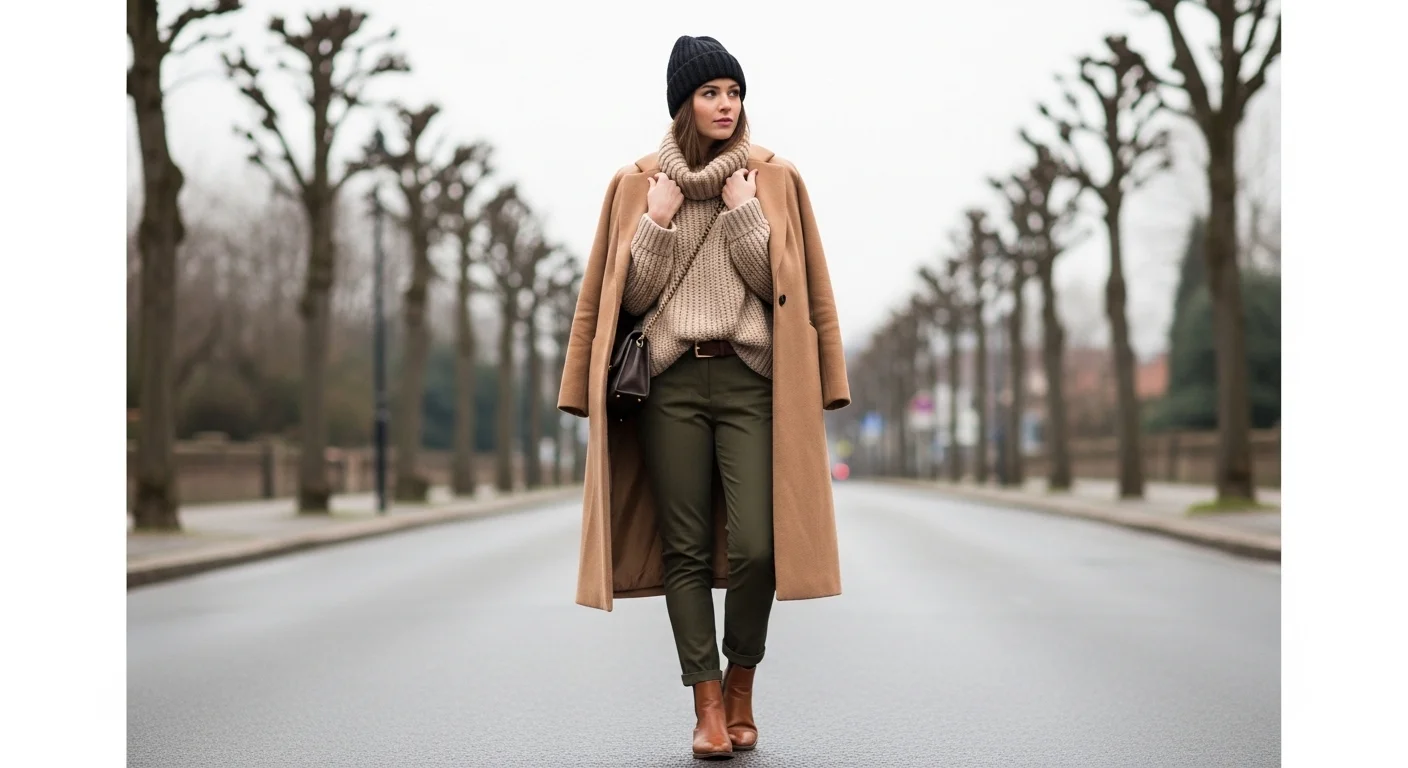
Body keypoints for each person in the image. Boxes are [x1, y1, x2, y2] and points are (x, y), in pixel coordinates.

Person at [557, 34, 851, 761]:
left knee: (759, 545)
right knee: (684, 549)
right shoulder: (636, 184)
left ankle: (743, 680)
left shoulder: (774, 178)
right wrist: (656, 221)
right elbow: (624, 298)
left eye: (734, 91)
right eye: (711, 92)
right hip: (669, 384)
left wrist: (745, 213)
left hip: (753, 379)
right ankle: (708, 705)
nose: (727, 105)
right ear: (683, 102)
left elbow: (791, 287)